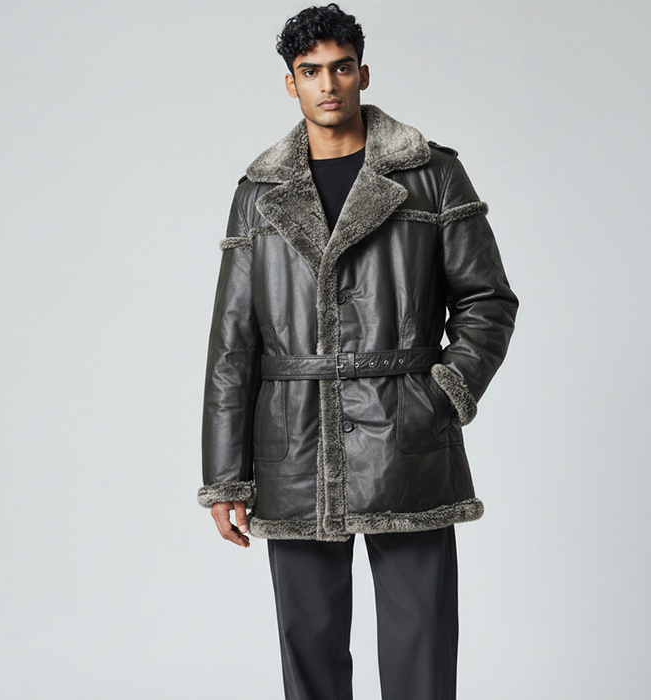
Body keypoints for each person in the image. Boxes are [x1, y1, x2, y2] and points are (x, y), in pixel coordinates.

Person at [198, 4, 518, 699]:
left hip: (407, 438)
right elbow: (233, 342)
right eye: (310, 71)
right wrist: (225, 478)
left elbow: (487, 301)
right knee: (308, 651)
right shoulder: (258, 194)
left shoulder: (432, 174)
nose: (328, 84)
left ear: (362, 73)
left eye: (341, 67)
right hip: (294, 447)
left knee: (421, 649)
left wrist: (441, 394)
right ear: (291, 83)